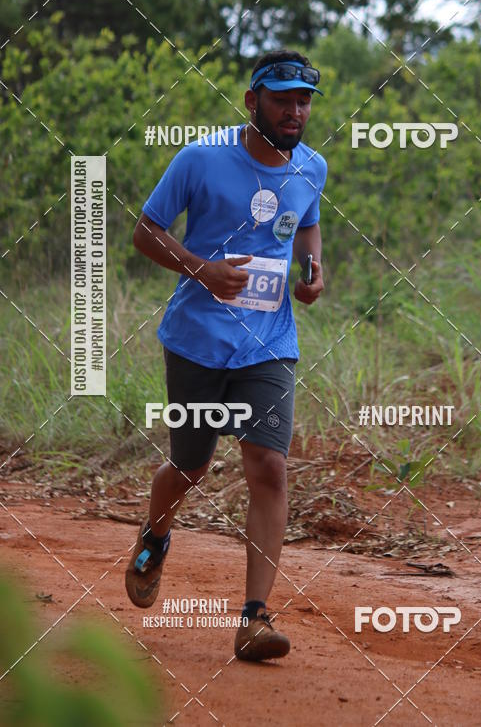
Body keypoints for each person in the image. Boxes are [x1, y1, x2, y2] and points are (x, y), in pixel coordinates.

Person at [125, 49, 327, 661]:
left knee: (268, 465)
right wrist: (201, 268)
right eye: (282, 99)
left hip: (269, 343)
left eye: (303, 101)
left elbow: (309, 226)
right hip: (197, 340)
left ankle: (255, 618)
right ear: (252, 101)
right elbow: (145, 232)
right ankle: (157, 530)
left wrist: (314, 271)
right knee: (190, 466)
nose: (294, 111)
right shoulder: (202, 159)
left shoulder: (311, 167)